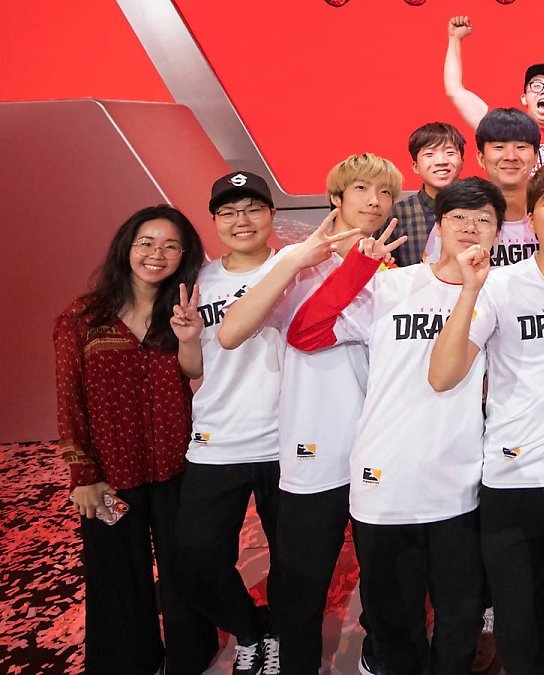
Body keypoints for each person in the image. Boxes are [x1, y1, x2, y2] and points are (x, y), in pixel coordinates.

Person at [287, 178, 506, 674]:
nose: (470, 227)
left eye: (484, 219)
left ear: (498, 232)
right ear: (438, 225)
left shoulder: (500, 296)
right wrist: (357, 270)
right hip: (383, 479)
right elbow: (305, 332)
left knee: (460, 617)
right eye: (459, 217)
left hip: (460, 482)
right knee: (392, 620)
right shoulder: (391, 286)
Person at [428, 161, 544, 675]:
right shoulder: (496, 287)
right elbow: (443, 376)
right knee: (517, 626)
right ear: (531, 219)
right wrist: (469, 291)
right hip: (511, 479)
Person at [218, 153, 402, 675]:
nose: (374, 201)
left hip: (378, 450)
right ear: (335, 198)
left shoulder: (392, 272)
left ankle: (377, 656)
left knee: (386, 577)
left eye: (385, 193)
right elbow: (231, 333)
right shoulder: (297, 264)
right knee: (301, 583)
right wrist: (295, 262)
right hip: (312, 450)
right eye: (361, 188)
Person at [54, 205, 216, 674]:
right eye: (146, 242)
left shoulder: (182, 312)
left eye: (170, 245)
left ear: (184, 255)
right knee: (117, 577)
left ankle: (190, 656)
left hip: (176, 467)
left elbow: (194, 373)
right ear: (127, 247)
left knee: (184, 568)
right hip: (110, 475)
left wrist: (189, 336)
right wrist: (83, 475)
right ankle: (130, 661)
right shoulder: (83, 317)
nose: (156, 254)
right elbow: (69, 399)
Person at [173, 172, 285, 675]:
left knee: (291, 559)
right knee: (195, 557)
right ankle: (249, 629)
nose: (242, 220)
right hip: (217, 438)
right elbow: (194, 368)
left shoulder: (297, 268)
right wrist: (188, 340)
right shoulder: (200, 280)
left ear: (272, 214)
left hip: (288, 441)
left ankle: (280, 633)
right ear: (215, 220)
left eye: (253, 208)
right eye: (229, 212)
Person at [444, 15, 544, 168]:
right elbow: (455, 91)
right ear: (524, 98)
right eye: (536, 86)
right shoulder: (503, 128)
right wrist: (455, 39)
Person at [425, 108, 540, 267]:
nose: (511, 156)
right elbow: (434, 275)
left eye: (521, 147)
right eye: (499, 147)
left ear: (535, 157)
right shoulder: (455, 219)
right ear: (481, 157)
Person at [383, 122, 467, 267]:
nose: (441, 161)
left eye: (450, 153)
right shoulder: (398, 214)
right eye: (429, 154)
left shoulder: (479, 209)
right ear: (415, 166)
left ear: (462, 162)